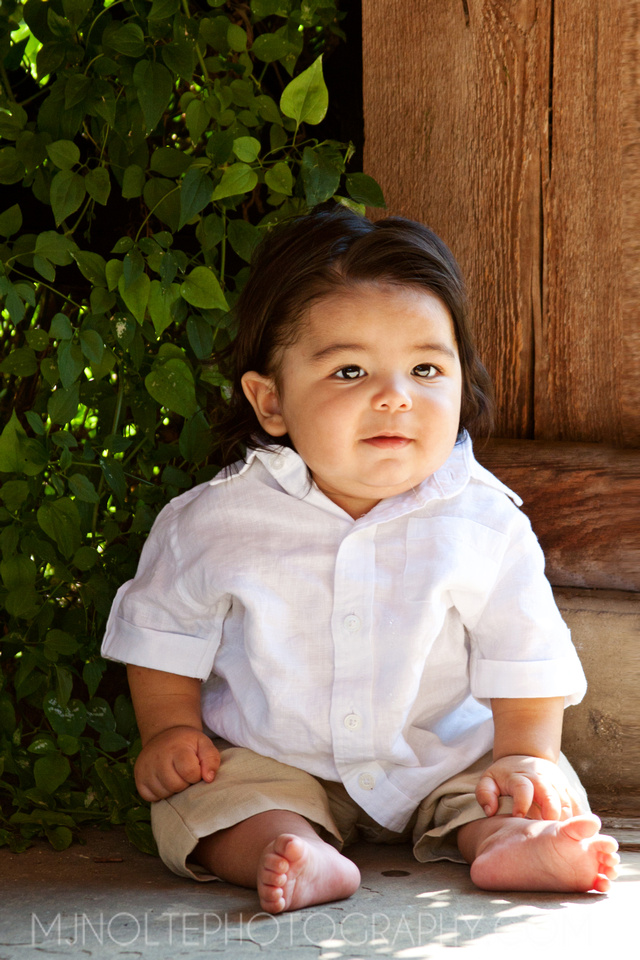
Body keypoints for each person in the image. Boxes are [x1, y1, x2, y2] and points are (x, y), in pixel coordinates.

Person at [101, 206, 619, 914]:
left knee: (515, 788)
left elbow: (522, 648)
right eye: (350, 370)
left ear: (460, 382)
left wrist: (525, 755)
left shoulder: (483, 520)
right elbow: (164, 632)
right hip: (275, 759)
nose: (395, 395)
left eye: (426, 368)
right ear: (271, 400)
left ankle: (510, 841)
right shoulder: (216, 520)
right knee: (212, 800)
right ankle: (290, 849)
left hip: (445, 757)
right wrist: (171, 730)